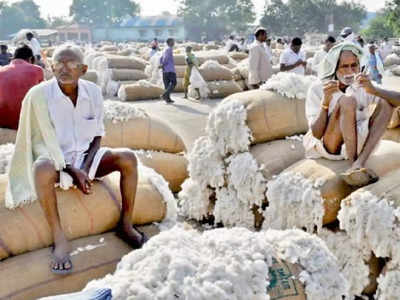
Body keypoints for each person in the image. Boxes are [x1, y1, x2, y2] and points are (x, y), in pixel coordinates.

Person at [6, 45, 147, 275]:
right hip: (53, 159)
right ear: (51, 68)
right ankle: (59, 238)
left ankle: (126, 225)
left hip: (86, 157)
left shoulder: (93, 92)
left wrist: (86, 165)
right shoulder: (39, 96)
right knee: (41, 168)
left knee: (128, 158)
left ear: (83, 69)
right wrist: (72, 170)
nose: (64, 68)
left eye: (71, 63)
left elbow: (98, 134)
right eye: (59, 64)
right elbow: (40, 143)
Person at [304, 42, 400, 187]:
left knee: (387, 103)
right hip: (329, 144)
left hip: (357, 140)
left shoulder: (360, 85)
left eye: (354, 65)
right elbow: (316, 134)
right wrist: (325, 103)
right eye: (344, 66)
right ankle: (352, 165)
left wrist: (374, 90)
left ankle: (359, 163)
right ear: (334, 67)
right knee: (347, 102)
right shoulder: (319, 88)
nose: (350, 71)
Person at [0, 45, 43, 129]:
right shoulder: (37, 70)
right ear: (31, 59)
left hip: (3, 121)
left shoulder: (1, 71)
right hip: (27, 121)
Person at [159, 38, 176, 103]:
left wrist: (161, 65)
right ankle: (165, 95)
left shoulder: (164, 50)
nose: (174, 42)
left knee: (167, 84)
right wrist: (163, 64)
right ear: (170, 42)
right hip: (170, 69)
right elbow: (166, 58)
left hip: (164, 70)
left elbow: (161, 58)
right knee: (174, 82)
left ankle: (168, 99)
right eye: (173, 41)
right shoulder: (169, 49)